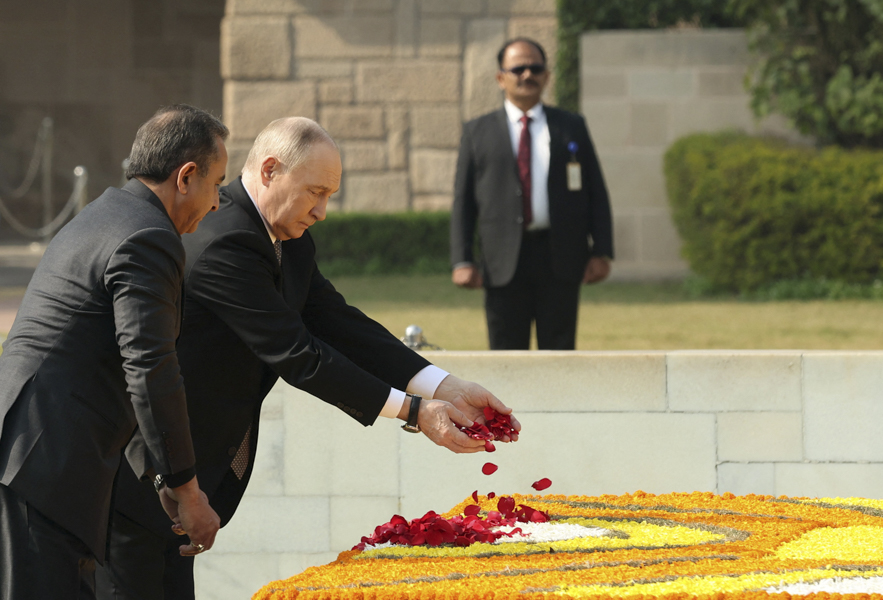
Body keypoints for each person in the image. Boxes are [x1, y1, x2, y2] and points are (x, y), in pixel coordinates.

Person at [97, 117, 520, 600]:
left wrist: (443, 386)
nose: (321, 211)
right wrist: (415, 412)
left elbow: (336, 321)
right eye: (314, 192)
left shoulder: (285, 236)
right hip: (140, 475)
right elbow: (298, 354)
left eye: (329, 196)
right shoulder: (223, 240)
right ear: (271, 170)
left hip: (180, 479)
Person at [0, 104, 228, 600]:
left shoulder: (109, 213)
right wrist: (186, 489)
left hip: (33, 458)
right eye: (217, 184)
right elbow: (149, 367)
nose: (217, 204)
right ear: (186, 177)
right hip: (43, 465)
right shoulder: (148, 236)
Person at [451, 37, 615, 350]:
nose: (528, 74)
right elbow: (463, 202)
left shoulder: (571, 127)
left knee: (560, 351)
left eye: (536, 67)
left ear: (546, 75)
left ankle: (561, 402)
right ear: (501, 77)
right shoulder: (478, 132)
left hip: (561, 257)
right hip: (502, 262)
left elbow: (595, 190)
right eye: (518, 68)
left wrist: (601, 250)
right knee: (506, 352)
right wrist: (462, 259)